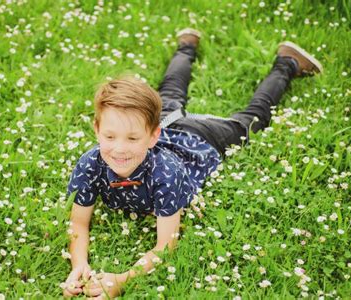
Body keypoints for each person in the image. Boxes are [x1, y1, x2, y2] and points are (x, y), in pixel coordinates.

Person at [62, 28, 322, 298]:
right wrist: (79, 264)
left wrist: (123, 279)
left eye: (131, 138)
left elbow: (166, 245)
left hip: (200, 140)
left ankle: (287, 63)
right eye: (110, 136)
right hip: (163, 122)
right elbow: (78, 223)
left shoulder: (166, 174)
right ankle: (187, 45)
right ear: (96, 129)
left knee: (253, 119)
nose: (119, 148)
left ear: (153, 136)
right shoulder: (90, 163)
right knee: (170, 90)